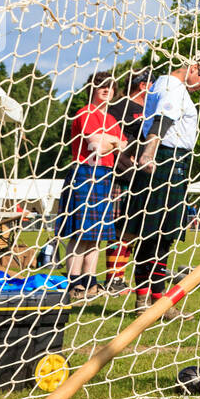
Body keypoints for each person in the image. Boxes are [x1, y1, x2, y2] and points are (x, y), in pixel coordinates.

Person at [132, 58, 200, 318]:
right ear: (193, 68)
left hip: (171, 162)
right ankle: (154, 303)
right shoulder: (173, 86)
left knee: (156, 235)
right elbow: (163, 119)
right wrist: (149, 153)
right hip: (166, 161)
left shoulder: (164, 84)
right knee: (159, 234)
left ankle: (148, 301)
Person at [64, 72, 127, 298]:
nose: (106, 89)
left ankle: (90, 281)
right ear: (92, 88)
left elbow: (123, 144)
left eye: (110, 86)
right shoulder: (85, 112)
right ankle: (73, 283)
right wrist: (113, 141)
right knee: (80, 234)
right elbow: (95, 144)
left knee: (96, 235)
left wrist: (107, 140)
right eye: (101, 85)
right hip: (85, 172)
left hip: (105, 174)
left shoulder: (111, 119)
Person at [106, 74, 153, 291]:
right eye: (152, 84)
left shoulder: (149, 109)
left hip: (141, 175)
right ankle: (113, 278)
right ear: (143, 85)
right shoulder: (119, 107)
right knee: (119, 227)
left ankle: (121, 276)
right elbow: (111, 135)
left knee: (133, 228)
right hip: (121, 174)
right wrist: (125, 157)